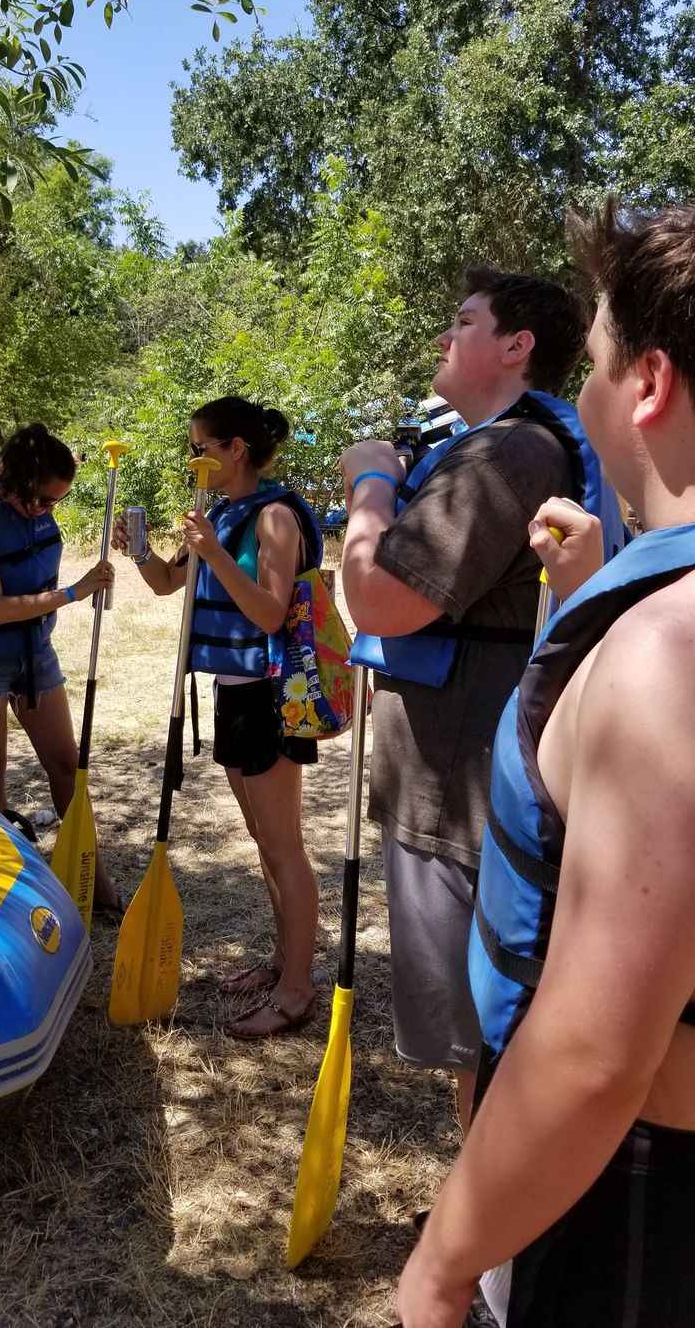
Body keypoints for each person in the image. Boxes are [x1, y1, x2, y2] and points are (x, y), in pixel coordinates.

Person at [397, 200, 695, 1328]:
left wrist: (439, 1264)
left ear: (648, 384)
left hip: (627, 1195)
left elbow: (592, 1054)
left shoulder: (663, 657)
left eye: (599, 359)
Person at [340, 270, 624, 1129]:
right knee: (481, 1035)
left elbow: (380, 599)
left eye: (463, 322)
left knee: (485, 1035)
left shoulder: (510, 451)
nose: (443, 337)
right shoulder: (498, 444)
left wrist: (370, 485)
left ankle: (494, 1250)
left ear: (516, 345)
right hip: (454, 778)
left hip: (460, 793)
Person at [113, 396, 323, 1038]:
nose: (193, 458)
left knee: (284, 844)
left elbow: (267, 610)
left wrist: (215, 550)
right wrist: (142, 548)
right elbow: (166, 584)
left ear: (236, 450)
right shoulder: (218, 512)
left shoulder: (276, 515)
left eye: (202, 446)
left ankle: (298, 989)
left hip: (271, 694)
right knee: (264, 838)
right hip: (234, 694)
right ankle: (282, 960)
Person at [0, 422, 121, 912]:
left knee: (65, 765)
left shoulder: (31, 507)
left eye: (57, 502)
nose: (47, 511)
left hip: (33, 652)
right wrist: (74, 592)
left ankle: (93, 881)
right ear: (15, 479)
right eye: (44, 501)